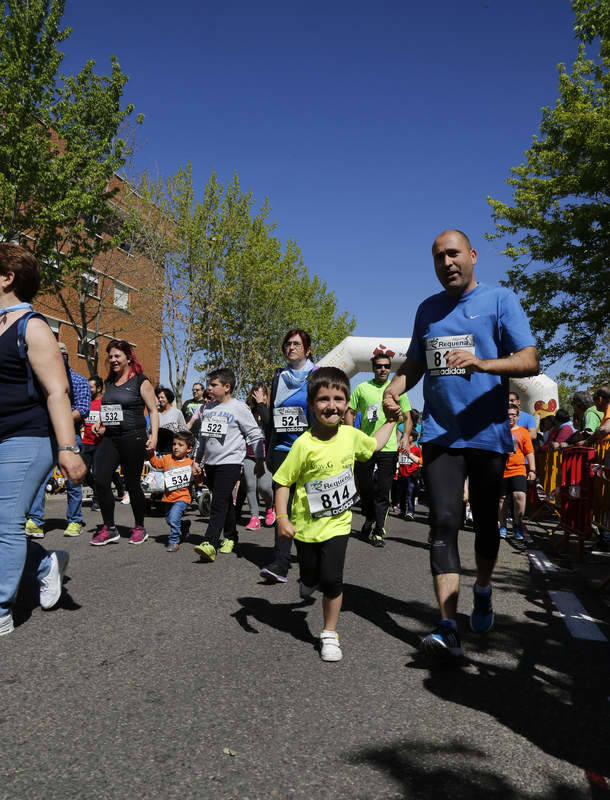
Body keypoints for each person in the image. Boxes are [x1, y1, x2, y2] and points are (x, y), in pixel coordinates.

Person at [383, 229, 539, 658]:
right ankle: (448, 624)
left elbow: (530, 358)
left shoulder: (499, 300)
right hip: (440, 434)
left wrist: (483, 363)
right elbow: (415, 363)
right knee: (445, 521)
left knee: (486, 524)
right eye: (438, 258)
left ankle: (484, 589)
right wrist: (395, 388)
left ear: (471, 256)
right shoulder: (427, 310)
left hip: (487, 435)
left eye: (453, 254)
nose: (446, 263)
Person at [274, 367, 399, 661]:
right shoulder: (304, 444)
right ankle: (307, 579)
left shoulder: (351, 435)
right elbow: (282, 481)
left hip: (339, 524)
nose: (332, 406)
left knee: (332, 579)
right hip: (305, 527)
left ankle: (329, 633)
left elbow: (375, 446)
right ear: (311, 404)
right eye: (323, 399)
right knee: (310, 574)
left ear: (346, 404)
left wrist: (391, 421)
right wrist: (282, 518)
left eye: (339, 399)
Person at [0, 243, 86, 636]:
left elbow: (57, 391)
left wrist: (68, 449)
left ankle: (2, 607)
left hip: (28, 436)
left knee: (5, 522)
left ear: (7, 278)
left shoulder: (31, 327)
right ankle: (43, 563)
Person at [260, 329, 317, 583]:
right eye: (287, 344)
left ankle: (311, 564)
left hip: (307, 449)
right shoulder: (278, 377)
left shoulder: (317, 376)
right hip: (283, 450)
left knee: (306, 507)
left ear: (307, 350)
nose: (291, 347)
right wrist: (270, 449)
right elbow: (273, 419)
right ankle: (280, 562)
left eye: (297, 344)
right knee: (282, 506)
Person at [89, 340, 158, 546]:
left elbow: (153, 410)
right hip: (110, 437)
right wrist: (100, 422)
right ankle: (109, 528)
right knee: (100, 479)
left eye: (117, 356)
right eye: (110, 356)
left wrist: (153, 436)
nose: (113, 360)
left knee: (132, 483)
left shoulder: (140, 381)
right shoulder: (109, 382)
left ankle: (139, 527)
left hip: (133, 437)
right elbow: (109, 407)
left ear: (128, 358)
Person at [193, 368, 265, 561]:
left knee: (218, 502)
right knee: (223, 501)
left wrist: (259, 460)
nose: (209, 388)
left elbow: (254, 434)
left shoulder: (239, 407)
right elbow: (203, 438)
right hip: (211, 464)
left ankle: (210, 542)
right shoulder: (206, 408)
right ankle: (231, 537)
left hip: (231, 462)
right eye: (209, 384)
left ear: (227, 387)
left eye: (213, 385)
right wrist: (197, 461)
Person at [345, 352, 412, 546]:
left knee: (383, 490)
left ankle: (378, 530)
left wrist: (406, 437)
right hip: (366, 447)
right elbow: (350, 411)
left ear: (390, 368)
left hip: (389, 448)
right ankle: (369, 517)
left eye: (386, 366)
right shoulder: (362, 388)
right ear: (373, 368)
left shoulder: (398, 390)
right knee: (365, 488)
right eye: (379, 366)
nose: (383, 369)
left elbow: (408, 416)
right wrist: (351, 434)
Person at [25, 341, 90, 538]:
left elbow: (83, 408)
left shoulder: (78, 381)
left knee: (73, 480)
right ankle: (35, 521)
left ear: (66, 357)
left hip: (71, 436)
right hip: (45, 436)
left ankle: (75, 520)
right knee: (39, 479)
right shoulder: (42, 381)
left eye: (60, 356)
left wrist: (59, 418)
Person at [147, 430, 202, 552]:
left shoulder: (191, 463)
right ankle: (184, 525)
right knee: (169, 519)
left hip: (183, 497)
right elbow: (156, 464)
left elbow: (198, 481)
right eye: (174, 444)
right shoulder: (167, 459)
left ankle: (174, 540)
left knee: (173, 518)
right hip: (168, 497)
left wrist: (198, 474)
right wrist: (151, 453)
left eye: (180, 445)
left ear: (189, 449)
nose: (176, 447)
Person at [240, 382, 275, 530]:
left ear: (266, 396)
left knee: (265, 487)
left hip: (266, 456)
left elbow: (269, 423)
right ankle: (254, 517)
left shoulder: (271, 410)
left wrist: (262, 404)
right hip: (249, 454)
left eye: (261, 394)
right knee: (250, 485)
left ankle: (270, 507)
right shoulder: (247, 411)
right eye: (255, 393)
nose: (258, 396)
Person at [499, 405, 536, 540]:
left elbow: (529, 452)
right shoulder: (499, 430)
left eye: (513, 415)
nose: (510, 417)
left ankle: (517, 524)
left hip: (518, 468)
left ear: (518, 416)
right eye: (508, 414)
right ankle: (503, 526)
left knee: (519, 496)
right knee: (503, 499)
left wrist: (532, 469)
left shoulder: (523, 432)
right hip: (501, 469)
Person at [396, 431, 422, 521]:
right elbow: (397, 459)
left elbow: (420, 462)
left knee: (410, 494)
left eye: (409, 436)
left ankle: (410, 511)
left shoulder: (416, 449)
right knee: (402, 494)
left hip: (411, 475)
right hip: (402, 474)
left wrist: (417, 472)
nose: (407, 438)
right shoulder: (401, 448)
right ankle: (403, 510)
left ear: (414, 438)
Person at [156, 385, 187, 455]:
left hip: (171, 450)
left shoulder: (177, 413)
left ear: (168, 398)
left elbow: (184, 430)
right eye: (158, 398)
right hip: (157, 448)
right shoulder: (155, 413)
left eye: (162, 397)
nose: (160, 399)